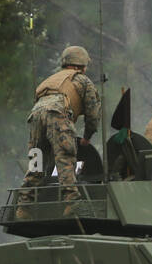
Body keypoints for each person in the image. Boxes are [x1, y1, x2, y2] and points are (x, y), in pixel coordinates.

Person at [15, 45, 101, 218]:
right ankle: (72, 202)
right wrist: (87, 137)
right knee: (65, 157)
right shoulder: (83, 80)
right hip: (58, 115)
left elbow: (39, 103)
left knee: (37, 161)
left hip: (36, 117)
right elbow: (93, 114)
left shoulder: (50, 80)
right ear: (81, 65)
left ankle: (24, 205)